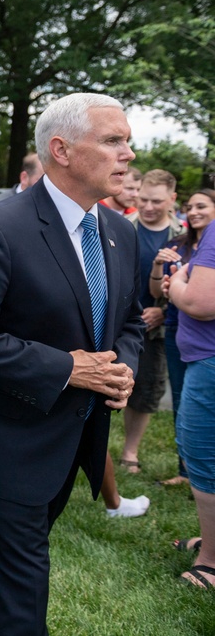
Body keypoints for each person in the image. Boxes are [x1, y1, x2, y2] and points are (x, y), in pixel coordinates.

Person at [0, 93, 144, 634]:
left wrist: (123, 367)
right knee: (23, 587)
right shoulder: (1, 226)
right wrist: (66, 369)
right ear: (61, 150)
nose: (129, 155)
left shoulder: (119, 231)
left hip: (68, 440)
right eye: (114, 141)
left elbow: (131, 320)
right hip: (2, 438)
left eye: (129, 141)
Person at [120, 169, 184, 474]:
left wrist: (164, 309)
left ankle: (130, 451)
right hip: (117, 322)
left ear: (172, 199)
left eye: (156, 201)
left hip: (155, 327)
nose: (147, 206)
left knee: (145, 389)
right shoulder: (120, 226)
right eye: (142, 198)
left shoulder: (183, 236)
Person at [151, 189, 215, 486]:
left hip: (205, 343)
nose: (193, 212)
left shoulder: (211, 243)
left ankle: (199, 473)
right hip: (180, 330)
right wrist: (167, 284)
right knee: (181, 399)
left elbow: (199, 302)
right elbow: (162, 292)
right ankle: (185, 470)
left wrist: (177, 284)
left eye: (202, 206)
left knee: (201, 413)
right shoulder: (179, 245)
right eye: (189, 207)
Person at [165, 212, 215, 589]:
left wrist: (178, 283)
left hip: (210, 361)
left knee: (203, 453)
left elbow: (200, 303)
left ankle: (210, 561)